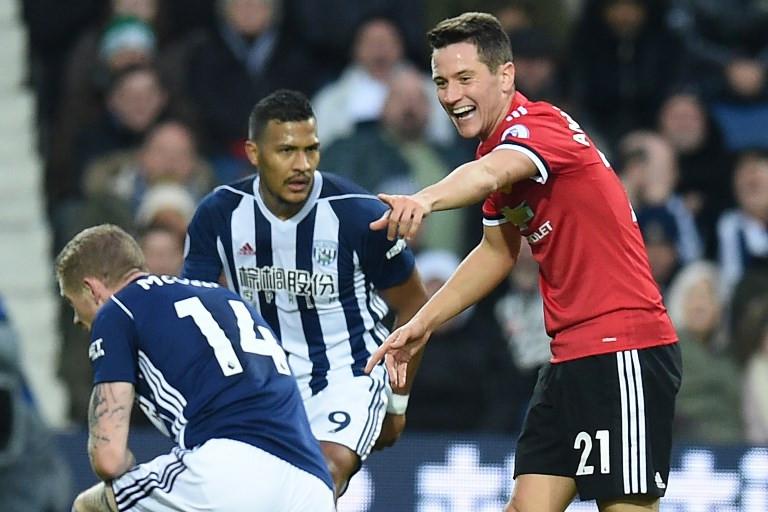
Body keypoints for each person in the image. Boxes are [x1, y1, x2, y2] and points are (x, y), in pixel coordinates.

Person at [365, 12, 681, 512]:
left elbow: (488, 174)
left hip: (622, 347)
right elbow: (496, 253)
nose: (451, 95)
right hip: (569, 356)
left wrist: (423, 199)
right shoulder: (498, 151)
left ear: (505, 75)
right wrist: (421, 324)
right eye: (441, 82)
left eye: (465, 78)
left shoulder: (538, 127)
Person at [182, 89, 428, 498]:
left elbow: (414, 305)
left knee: (319, 475)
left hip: (347, 373)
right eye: (286, 151)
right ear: (254, 153)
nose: (302, 165)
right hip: (260, 381)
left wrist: (397, 401)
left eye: (310, 149)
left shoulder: (358, 214)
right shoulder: (219, 214)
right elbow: (196, 310)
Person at [57, 224, 334, 511]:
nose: (76, 319)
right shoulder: (226, 297)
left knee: (90, 506)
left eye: (71, 302)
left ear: (92, 289)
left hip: (230, 467)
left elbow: (108, 459)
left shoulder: (116, 310)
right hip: (313, 483)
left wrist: (126, 465)